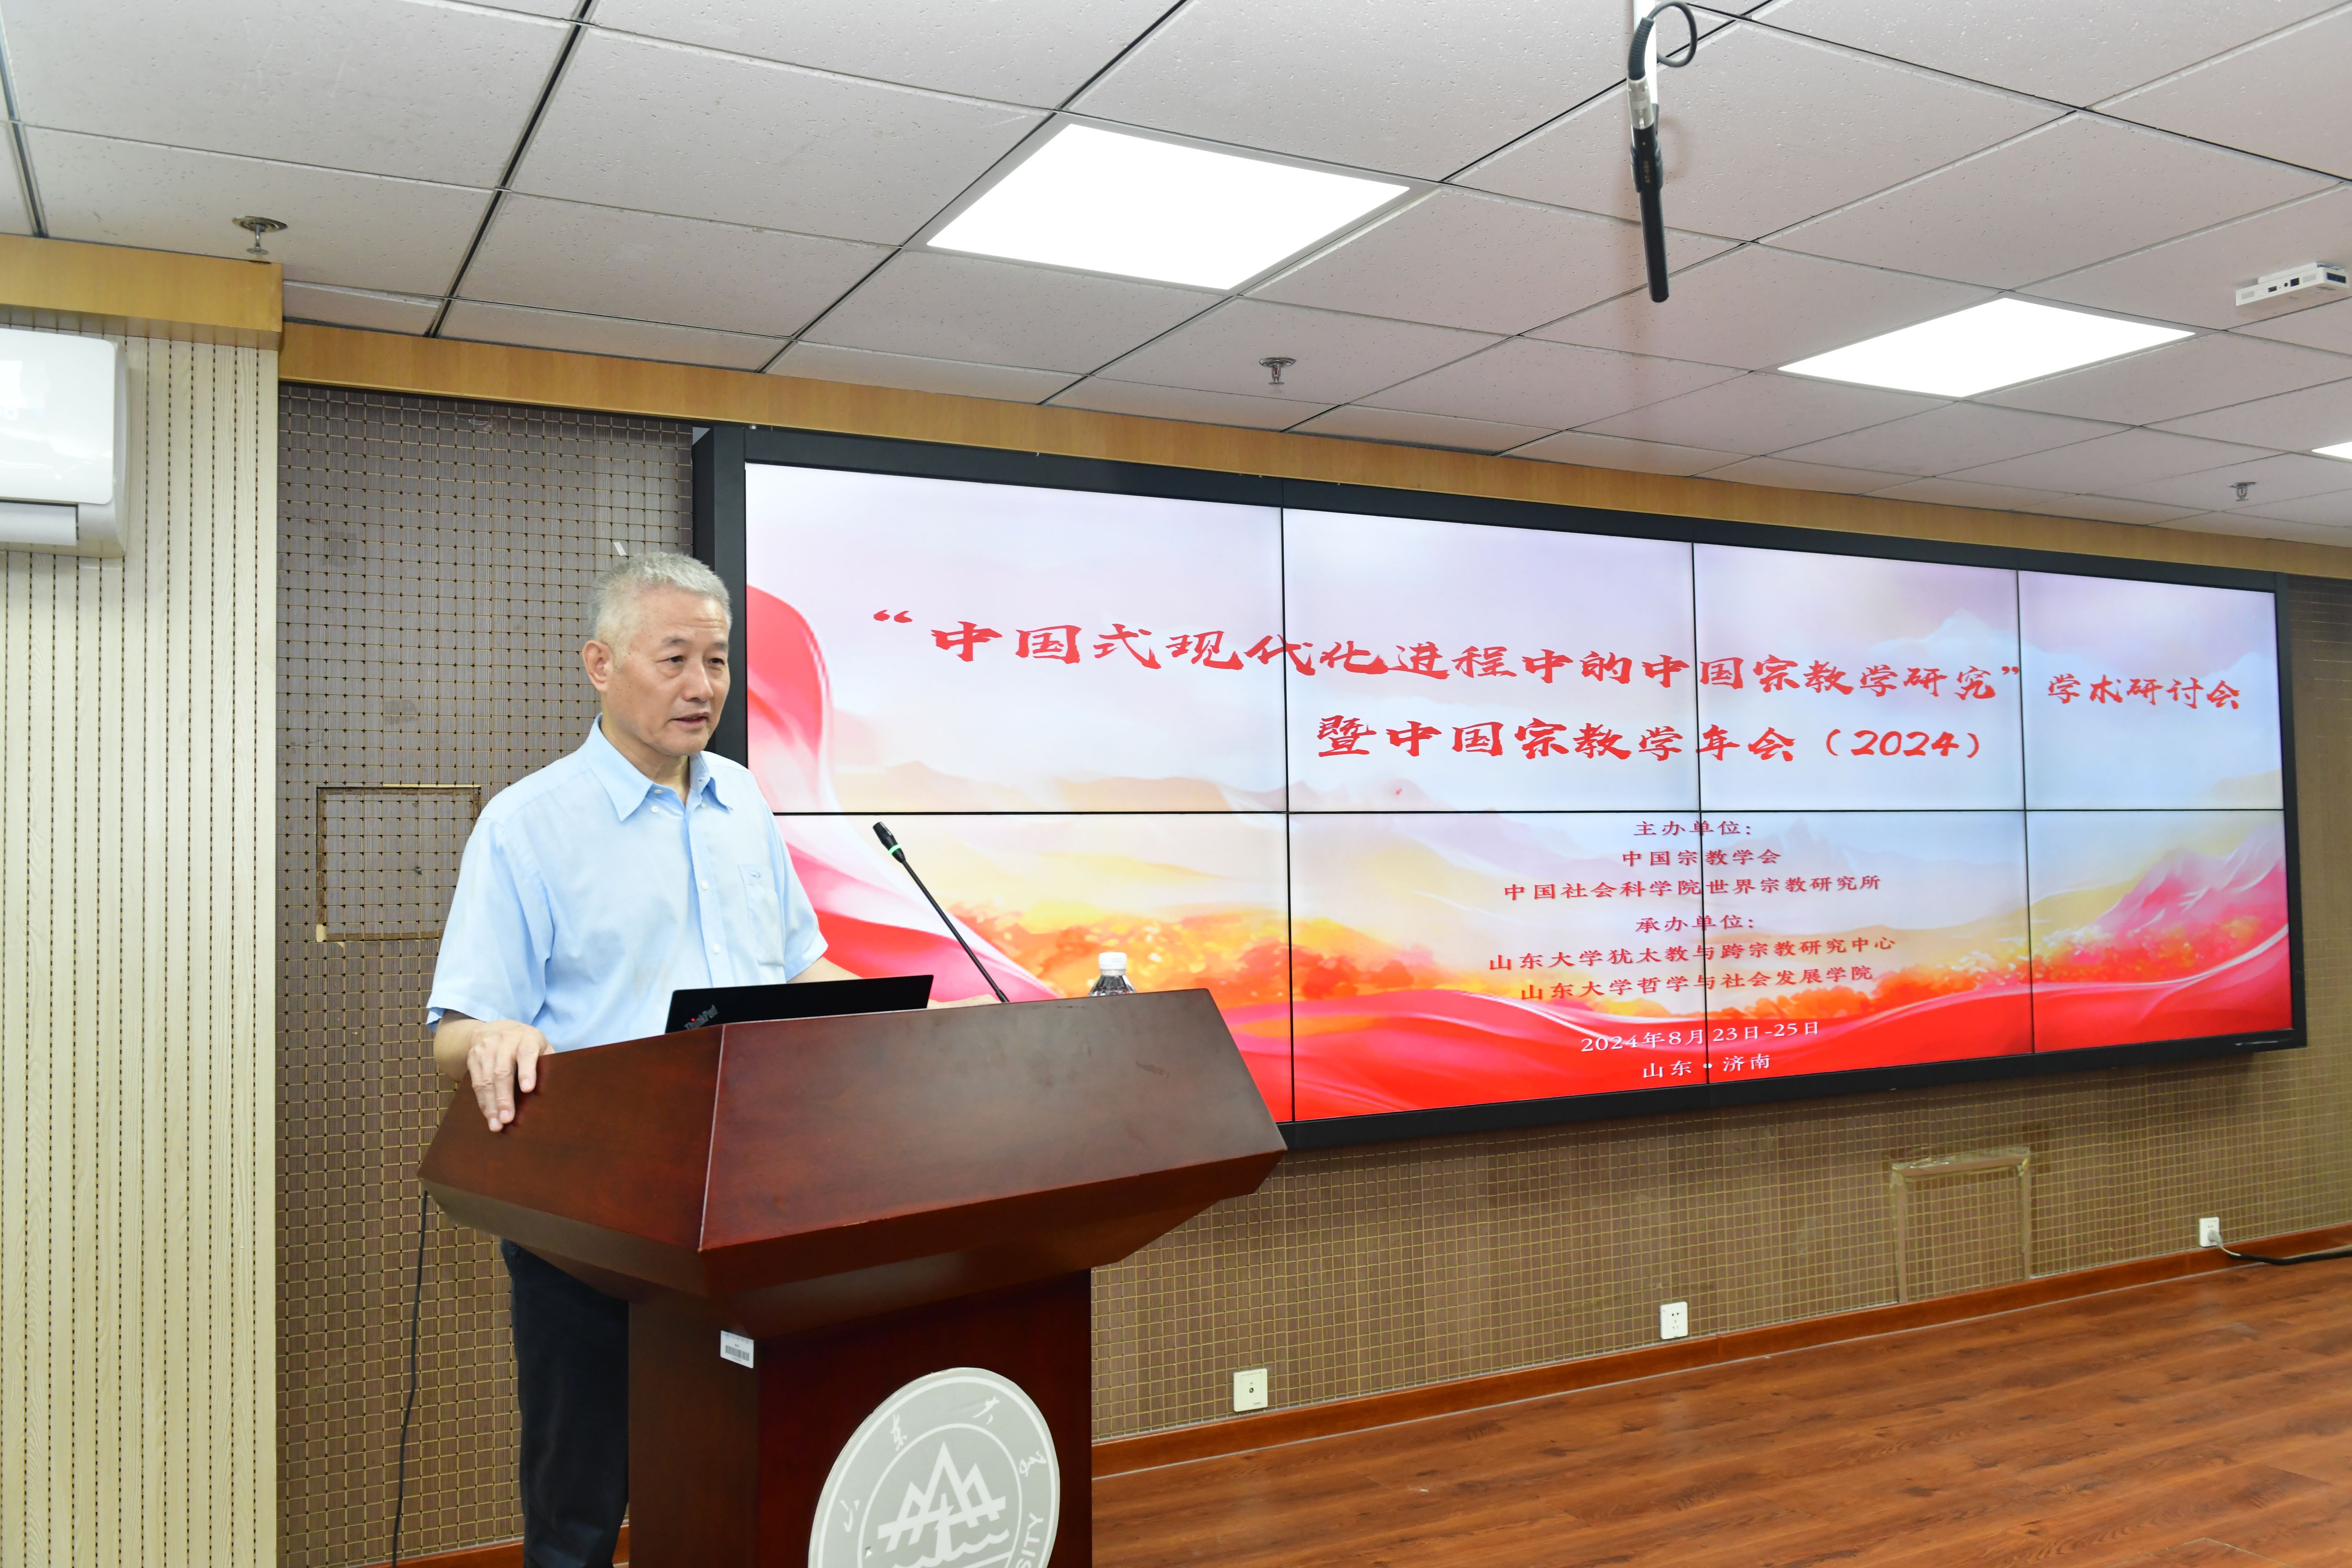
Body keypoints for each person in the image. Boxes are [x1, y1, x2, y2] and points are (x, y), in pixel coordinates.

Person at [425, 551, 862, 1568]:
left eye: (718, 659)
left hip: (755, 1203)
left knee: (739, 1477)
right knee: (581, 1504)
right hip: (596, 1220)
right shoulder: (528, 824)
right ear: (600, 664)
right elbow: (456, 1030)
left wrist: (932, 1015)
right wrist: (495, 1035)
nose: (703, 684)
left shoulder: (743, 801)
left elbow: (798, 966)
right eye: (675, 659)